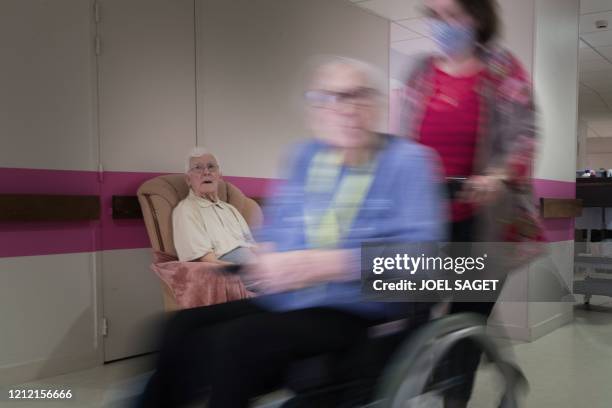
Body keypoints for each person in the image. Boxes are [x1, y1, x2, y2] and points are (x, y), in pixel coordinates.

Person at [137, 56, 445, 408]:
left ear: (376, 104)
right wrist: (268, 253)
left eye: (356, 95)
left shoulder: (409, 161)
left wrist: (328, 264)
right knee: (177, 330)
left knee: (238, 342)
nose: (343, 109)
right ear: (314, 111)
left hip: (356, 308)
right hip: (290, 300)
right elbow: (279, 227)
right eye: (327, 99)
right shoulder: (304, 156)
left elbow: (425, 259)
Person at [399, 0, 542, 406]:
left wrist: (497, 176)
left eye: (454, 15)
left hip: (483, 223)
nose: (443, 25)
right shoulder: (420, 73)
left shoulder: (502, 70)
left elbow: (525, 135)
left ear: (477, 16)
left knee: (466, 322)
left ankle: (455, 398)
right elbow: (401, 142)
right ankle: (421, 391)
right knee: (411, 319)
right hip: (424, 222)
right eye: (436, 16)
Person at [173, 148, 256, 265]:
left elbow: (251, 245)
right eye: (198, 168)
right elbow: (207, 260)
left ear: (219, 176)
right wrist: (241, 269)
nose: (206, 172)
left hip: (250, 260)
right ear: (188, 180)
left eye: (211, 167)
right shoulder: (185, 210)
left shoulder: (230, 209)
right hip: (228, 265)